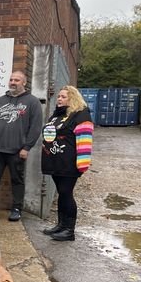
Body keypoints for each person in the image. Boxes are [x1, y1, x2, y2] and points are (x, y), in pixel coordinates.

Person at [0, 70, 43, 222]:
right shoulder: (0, 100)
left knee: (17, 180)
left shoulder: (32, 102)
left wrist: (27, 147)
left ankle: (16, 208)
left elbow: (35, 127)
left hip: (17, 150)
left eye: (17, 80)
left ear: (24, 83)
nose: (13, 82)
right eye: (11, 79)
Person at [40, 85, 94, 241]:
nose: (59, 99)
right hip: (56, 162)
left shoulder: (81, 115)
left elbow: (85, 140)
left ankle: (69, 231)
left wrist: (83, 163)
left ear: (73, 98)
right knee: (62, 194)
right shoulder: (58, 115)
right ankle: (61, 225)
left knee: (66, 193)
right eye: (59, 96)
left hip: (69, 163)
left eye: (63, 97)